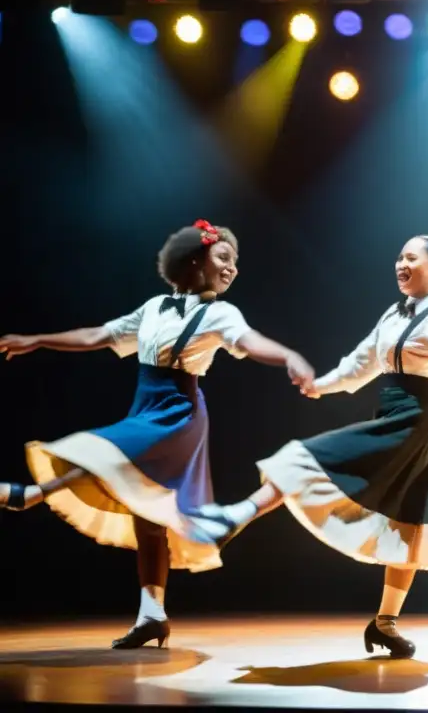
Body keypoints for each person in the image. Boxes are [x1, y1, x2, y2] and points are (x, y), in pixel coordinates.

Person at [185, 235, 428, 660]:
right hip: (396, 416)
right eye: (398, 256)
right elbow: (360, 363)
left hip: (417, 422)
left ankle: (236, 518)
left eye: (411, 257)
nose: (400, 263)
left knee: (404, 521)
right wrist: (320, 386)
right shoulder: (393, 315)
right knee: (395, 515)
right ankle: (382, 624)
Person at [0, 220, 316, 649]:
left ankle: (31, 495)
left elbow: (250, 340)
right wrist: (38, 340)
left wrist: (289, 356)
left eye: (235, 262)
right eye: (224, 258)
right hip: (145, 405)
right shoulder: (153, 308)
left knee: (109, 455)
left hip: (178, 412)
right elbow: (97, 335)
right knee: (148, 519)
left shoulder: (221, 313)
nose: (233, 269)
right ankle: (152, 616)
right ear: (194, 260)